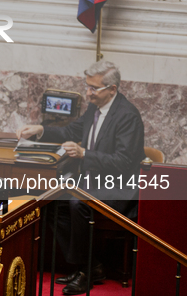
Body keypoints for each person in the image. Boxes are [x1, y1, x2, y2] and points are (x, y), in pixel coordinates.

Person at [17, 60, 145, 295]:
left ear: (112, 90)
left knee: (77, 203)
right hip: (93, 183)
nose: (88, 93)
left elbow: (124, 163)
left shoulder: (128, 116)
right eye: (87, 86)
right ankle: (91, 265)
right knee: (50, 201)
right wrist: (40, 130)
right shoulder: (95, 109)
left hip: (119, 188)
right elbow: (71, 131)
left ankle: (86, 271)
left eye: (93, 88)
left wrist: (85, 154)